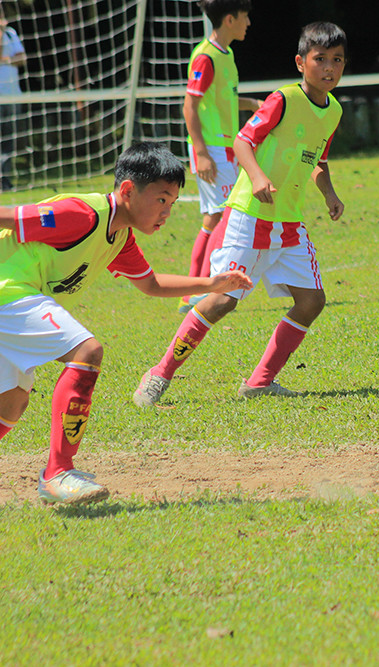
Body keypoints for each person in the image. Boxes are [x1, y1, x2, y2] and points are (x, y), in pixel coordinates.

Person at [0, 142, 252, 505]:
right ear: (129, 190)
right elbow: (9, 217)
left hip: (16, 301)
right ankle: (58, 473)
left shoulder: (119, 236)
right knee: (87, 351)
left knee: (11, 403)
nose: (166, 211)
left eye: (172, 201)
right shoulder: (80, 215)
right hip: (8, 293)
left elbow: (151, 284)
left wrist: (212, 284)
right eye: (161, 199)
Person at [132, 22, 347, 408]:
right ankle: (160, 373)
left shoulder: (333, 111)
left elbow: (319, 160)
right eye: (320, 60)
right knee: (221, 300)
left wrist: (329, 193)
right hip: (249, 216)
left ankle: (259, 382)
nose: (329, 68)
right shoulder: (282, 99)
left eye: (337, 60)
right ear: (301, 62)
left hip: (290, 223)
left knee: (312, 301)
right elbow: (244, 140)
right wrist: (259, 175)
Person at [179, 0, 261, 314]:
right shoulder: (205, 57)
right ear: (229, 19)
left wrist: (252, 104)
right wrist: (201, 153)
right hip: (211, 149)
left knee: (219, 217)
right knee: (219, 217)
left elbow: (222, 100)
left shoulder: (225, 55)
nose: (248, 23)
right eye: (245, 17)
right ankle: (194, 290)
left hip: (225, 148)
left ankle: (198, 288)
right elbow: (190, 106)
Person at [0, 5, 26, 192]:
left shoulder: (10, 33)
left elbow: (22, 59)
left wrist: (5, 60)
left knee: (9, 140)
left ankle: (5, 180)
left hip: (12, 96)